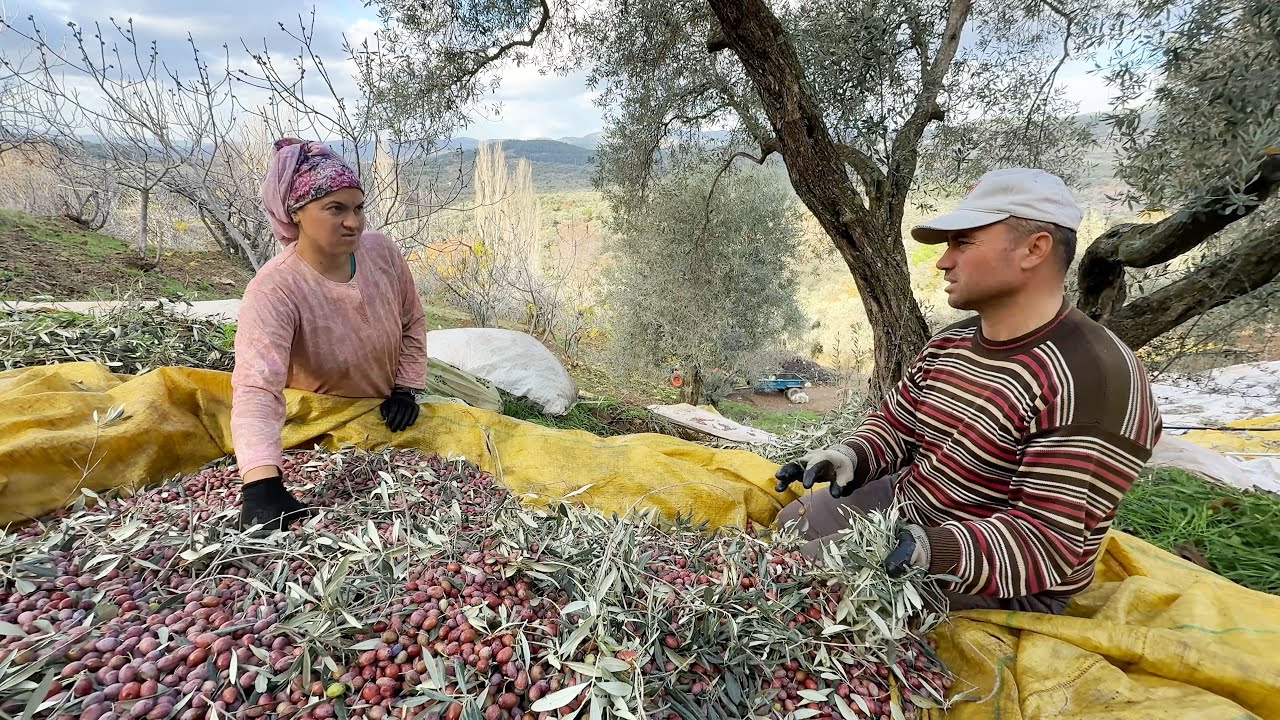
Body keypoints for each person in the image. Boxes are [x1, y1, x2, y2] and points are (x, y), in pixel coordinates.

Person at [774, 168, 1162, 614]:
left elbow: (1047, 543)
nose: (943, 261)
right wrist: (852, 457)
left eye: (963, 242)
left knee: (797, 590)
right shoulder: (951, 343)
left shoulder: (1093, 380)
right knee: (790, 523)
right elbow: (899, 427)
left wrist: (930, 549)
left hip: (1002, 576)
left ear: (1034, 249)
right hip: (915, 509)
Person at [231, 138, 427, 531]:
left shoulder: (381, 252)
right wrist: (261, 484)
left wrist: (406, 387)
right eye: (335, 208)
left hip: (385, 403)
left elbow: (412, 322)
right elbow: (257, 386)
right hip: (323, 414)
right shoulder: (276, 288)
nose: (353, 222)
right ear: (297, 212)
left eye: (358, 208)